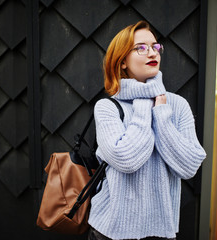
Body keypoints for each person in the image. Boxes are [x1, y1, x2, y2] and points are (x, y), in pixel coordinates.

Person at [88, 20, 206, 240]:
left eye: (155, 46)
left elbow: (190, 166)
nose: (152, 53)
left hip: (161, 231)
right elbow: (127, 159)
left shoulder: (176, 105)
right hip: (110, 231)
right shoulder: (107, 108)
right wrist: (144, 100)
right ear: (122, 61)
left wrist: (162, 115)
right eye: (141, 48)